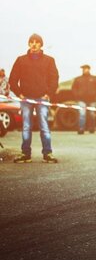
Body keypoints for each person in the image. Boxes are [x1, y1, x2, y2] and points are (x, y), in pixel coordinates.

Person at [9, 33, 59, 163]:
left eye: (37, 42)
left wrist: (49, 93)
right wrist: (19, 94)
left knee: (44, 126)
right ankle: (26, 154)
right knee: (26, 126)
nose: (34, 44)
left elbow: (54, 79)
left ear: (41, 44)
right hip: (26, 99)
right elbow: (13, 79)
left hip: (43, 98)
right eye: (32, 42)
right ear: (29, 44)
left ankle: (47, 153)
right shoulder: (21, 60)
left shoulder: (49, 60)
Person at [72, 64, 96, 135]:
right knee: (82, 114)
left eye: (85, 68)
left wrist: (95, 93)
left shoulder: (95, 78)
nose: (84, 70)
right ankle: (81, 129)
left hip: (92, 99)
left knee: (92, 114)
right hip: (81, 100)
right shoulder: (78, 79)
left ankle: (92, 128)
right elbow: (73, 88)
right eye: (83, 69)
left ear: (89, 69)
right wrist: (77, 95)